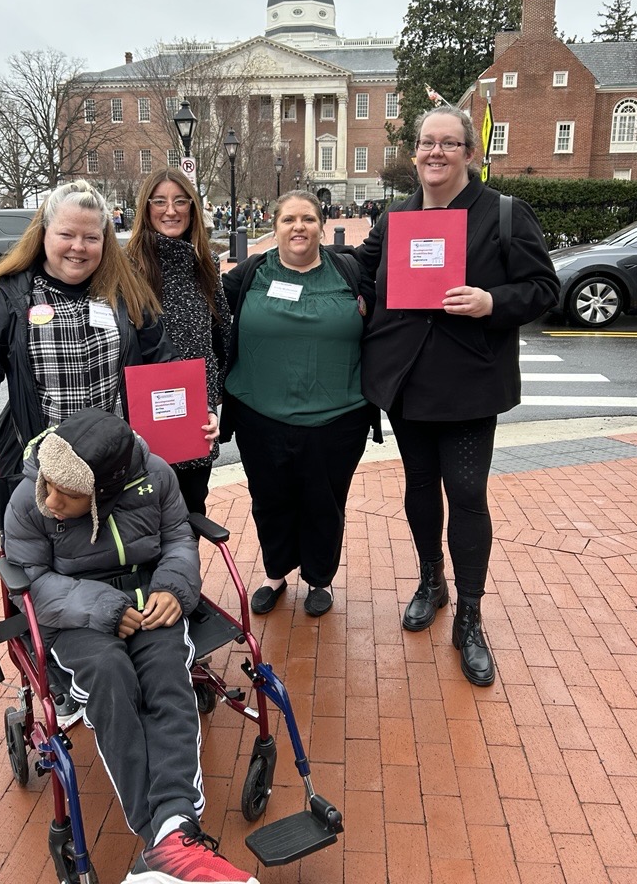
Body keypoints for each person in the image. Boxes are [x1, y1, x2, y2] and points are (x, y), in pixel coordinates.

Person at [4, 407, 259, 884]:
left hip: (151, 602)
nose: (50, 499)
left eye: (67, 493)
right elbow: (33, 582)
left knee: (168, 679)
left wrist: (174, 589)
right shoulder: (28, 500)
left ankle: (173, 829)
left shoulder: (155, 476)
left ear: (104, 493)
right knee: (112, 680)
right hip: (76, 616)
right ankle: (167, 838)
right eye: (50, 485)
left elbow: (178, 538)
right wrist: (104, 606)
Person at [357, 105, 559, 687]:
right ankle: (431, 580)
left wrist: (491, 302)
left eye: (448, 143)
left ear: (470, 153)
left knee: (466, 493)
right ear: (415, 153)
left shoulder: (503, 214)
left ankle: (469, 615)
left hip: (470, 380)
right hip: (407, 379)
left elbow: (543, 287)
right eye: (426, 143)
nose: (435, 153)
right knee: (419, 488)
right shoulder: (396, 218)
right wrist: (283, 268)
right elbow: (357, 272)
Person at [221, 191, 380, 618]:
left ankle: (319, 578)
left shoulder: (350, 272)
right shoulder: (250, 273)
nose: (299, 227)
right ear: (274, 226)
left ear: (322, 225)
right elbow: (202, 311)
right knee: (269, 499)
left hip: (337, 419)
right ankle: (275, 573)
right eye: (289, 219)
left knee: (324, 501)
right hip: (259, 416)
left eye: (308, 218)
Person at [0, 180, 177, 479]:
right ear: (44, 232)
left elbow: (161, 360)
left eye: (91, 237)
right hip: (42, 467)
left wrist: (195, 411)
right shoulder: (10, 294)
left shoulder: (126, 291)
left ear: (104, 240)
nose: (78, 247)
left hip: (115, 461)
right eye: (66, 234)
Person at [126, 168, 230, 514]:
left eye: (180, 201)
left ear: (192, 207)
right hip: (141, 423)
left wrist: (212, 404)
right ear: (146, 208)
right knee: (144, 523)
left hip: (192, 418)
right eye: (159, 201)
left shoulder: (206, 264)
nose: (170, 210)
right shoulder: (127, 269)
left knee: (191, 516)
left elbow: (220, 342)